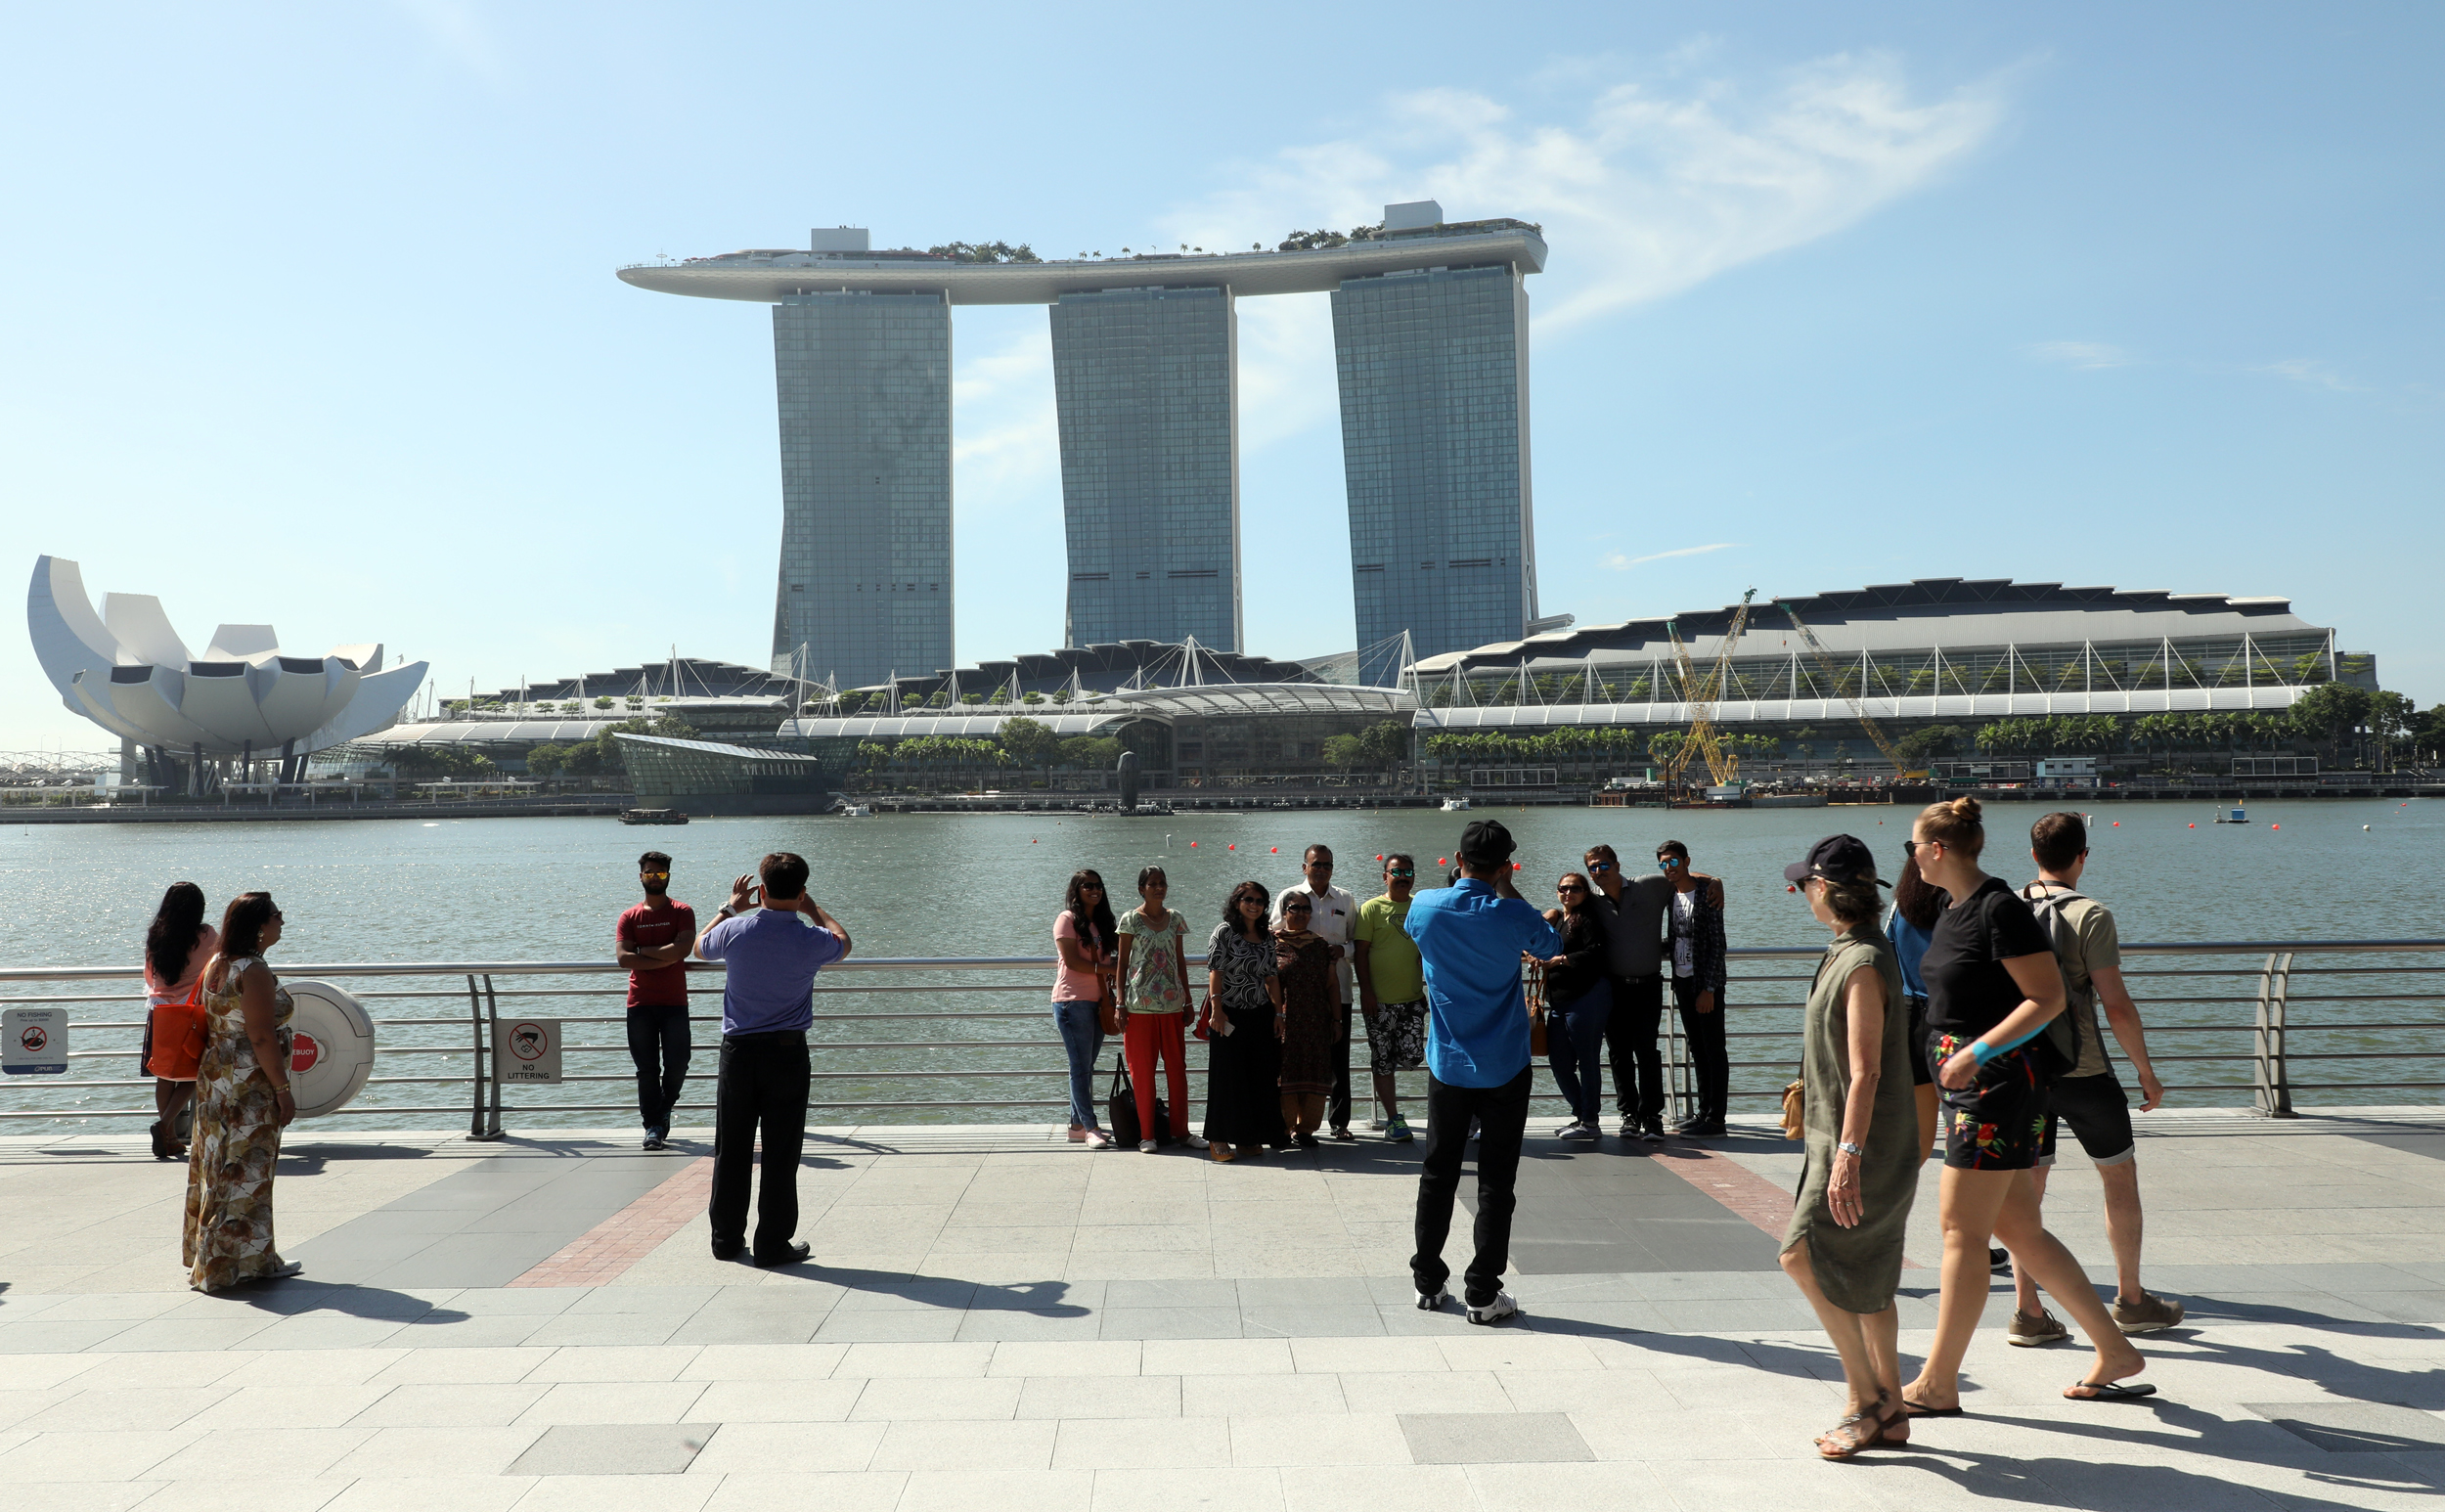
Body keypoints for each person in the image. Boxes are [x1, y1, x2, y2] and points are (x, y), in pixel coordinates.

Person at [1899, 798, 2152, 1415]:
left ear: (1937, 849)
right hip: (1974, 1087)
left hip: (1996, 1088)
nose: (1909, 856)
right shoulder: (1954, 906)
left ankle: (1937, 1381)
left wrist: (1975, 1052)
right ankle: (2115, 1351)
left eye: (1913, 847)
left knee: (1961, 1230)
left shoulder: (2000, 909)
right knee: (2018, 1228)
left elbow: (2046, 998)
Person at [2006, 811, 2186, 1344]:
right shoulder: (2092, 914)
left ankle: (2028, 1312)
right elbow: (2117, 1005)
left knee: (2026, 1190)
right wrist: (2146, 1073)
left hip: (2023, 1071)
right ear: (2082, 856)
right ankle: (2131, 1300)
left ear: (2033, 855)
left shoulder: (2005, 908)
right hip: (2084, 1072)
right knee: (2118, 1177)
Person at [1777, 836, 1920, 1458]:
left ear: (1826, 889)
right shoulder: (1852, 950)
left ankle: (1868, 1399)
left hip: (1860, 1143)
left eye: (1803, 883)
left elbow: (1865, 1071)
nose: (1798, 892)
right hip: (1849, 1138)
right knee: (1870, 1274)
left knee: (1800, 1254)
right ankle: (1888, 1411)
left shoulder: (1862, 961)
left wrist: (1847, 1158)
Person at [1404, 820, 1564, 1325]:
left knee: (1437, 1173)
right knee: (1496, 1181)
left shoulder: (1425, 905)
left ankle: (1428, 1283)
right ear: (1504, 867)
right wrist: (1506, 888)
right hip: (1504, 1065)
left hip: (1449, 1063)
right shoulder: (1512, 913)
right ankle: (1482, 1293)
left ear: (1456, 859)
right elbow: (1548, 942)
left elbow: (1413, 931)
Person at [692, 853, 851, 1267]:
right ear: (800, 893)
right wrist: (813, 909)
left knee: (732, 1147)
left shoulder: (734, 930)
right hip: (786, 1052)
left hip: (739, 1053)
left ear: (761, 889)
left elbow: (698, 949)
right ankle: (772, 1243)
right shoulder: (811, 940)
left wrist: (729, 907)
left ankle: (725, 1240)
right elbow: (844, 942)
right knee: (781, 1150)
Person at [184, 892, 300, 1292]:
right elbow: (262, 1036)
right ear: (259, 925)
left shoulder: (217, 962)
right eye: (277, 916)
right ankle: (242, 1261)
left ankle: (229, 1256)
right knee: (250, 1168)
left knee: (219, 1164)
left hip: (217, 1077)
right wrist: (282, 1089)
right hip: (248, 1082)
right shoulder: (252, 970)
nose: (282, 922)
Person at [1583, 844, 1721, 1141]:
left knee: (1647, 1053)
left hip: (1648, 985)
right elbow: (1565, 906)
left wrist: (1715, 881)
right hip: (1613, 988)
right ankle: (1629, 1116)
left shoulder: (1649, 886)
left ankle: (1652, 1118)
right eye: (1592, 868)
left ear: (1617, 866)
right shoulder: (1592, 900)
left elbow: (1681, 875)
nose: (1598, 872)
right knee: (1618, 1055)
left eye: (1604, 866)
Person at [1114, 867, 1204, 1153]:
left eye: (1162, 883)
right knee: (1142, 1073)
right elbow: (1122, 965)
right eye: (1152, 884)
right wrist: (1119, 1003)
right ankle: (1147, 1135)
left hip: (1172, 1006)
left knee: (1177, 1071)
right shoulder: (1130, 920)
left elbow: (1179, 960)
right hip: (1138, 1008)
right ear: (1141, 889)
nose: (1158, 888)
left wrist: (1188, 1000)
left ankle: (1182, 1131)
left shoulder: (1175, 918)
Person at [1270, 845, 1358, 1139]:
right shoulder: (1289, 896)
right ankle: (1286, 1123)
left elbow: (1355, 943)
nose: (1321, 869)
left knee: (1337, 1060)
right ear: (1304, 866)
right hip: (1289, 1001)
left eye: (1327, 865)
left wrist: (1341, 950)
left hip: (1336, 993)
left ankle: (1339, 1123)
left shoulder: (1345, 898)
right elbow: (1272, 934)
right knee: (1287, 1063)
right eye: (1316, 864)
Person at [614, 851, 697, 1151]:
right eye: (649, 873)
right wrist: (665, 956)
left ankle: (664, 1108)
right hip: (640, 1004)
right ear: (641, 877)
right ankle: (653, 1126)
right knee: (647, 1070)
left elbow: (683, 949)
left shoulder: (682, 911)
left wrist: (645, 950)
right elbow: (624, 959)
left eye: (660, 874)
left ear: (668, 877)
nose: (655, 878)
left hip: (675, 1003)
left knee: (678, 1065)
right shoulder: (629, 916)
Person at [1202, 882, 1286, 1161]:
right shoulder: (1224, 931)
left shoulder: (1266, 935)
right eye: (1248, 899)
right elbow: (1216, 971)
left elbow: (1272, 977)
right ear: (1237, 901)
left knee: (1257, 1078)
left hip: (1259, 1013)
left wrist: (1278, 1013)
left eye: (1260, 901)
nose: (1255, 905)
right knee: (1226, 1078)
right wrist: (1217, 1009)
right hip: (1228, 1013)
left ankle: (1248, 1138)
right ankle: (1218, 1137)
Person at [1352, 854, 1426, 1143]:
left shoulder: (1421, 905)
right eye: (1397, 871)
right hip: (1378, 1002)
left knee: (1412, 1057)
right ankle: (1394, 1119)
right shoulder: (1370, 908)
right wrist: (1366, 991)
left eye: (1409, 871)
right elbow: (1360, 953)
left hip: (1412, 999)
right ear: (1385, 876)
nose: (1403, 876)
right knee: (1382, 1061)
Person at [142, 882, 217, 1162]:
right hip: (191, 1012)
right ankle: (163, 1127)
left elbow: (150, 976)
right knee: (196, 1071)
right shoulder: (205, 934)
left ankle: (171, 1137)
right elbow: (219, 964)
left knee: (165, 1074)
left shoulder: (156, 936)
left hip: (160, 1012)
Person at [1661, 840, 1730, 1137]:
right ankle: (1703, 1112)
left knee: (1713, 1049)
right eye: (1663, 864)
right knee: (1697, 1049)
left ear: (1686, 861)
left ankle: (1716, 1118)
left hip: (1705, 983)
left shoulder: (1706, 894)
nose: (1669, 869)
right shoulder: (1668, 894)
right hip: (1682, 981)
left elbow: (1718, 945)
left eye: (1674, 862)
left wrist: (1710, 988)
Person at [1538, 872, 1611, 1138]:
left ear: (1585, 892)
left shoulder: (1588, 919)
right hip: (1558, 1000)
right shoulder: (1559, 919)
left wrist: (1561, 960)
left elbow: (1597, 952)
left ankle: (1590, 1122)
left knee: (1588, 1060)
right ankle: (1582, 1114)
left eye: (1575, 889)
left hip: (1587, 997)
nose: (1568, 893)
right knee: (1558, 1061)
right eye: (1563, 888)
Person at [1052, 869, 1119, 1150]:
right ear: (1076, 890)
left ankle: (1077, 1125)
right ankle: (1090, 1127)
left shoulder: (1101, 923)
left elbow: (1107, 958)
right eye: (1088, 886)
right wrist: (1107, 968)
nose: (1095, 890)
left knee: (1085, 1067)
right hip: (1072, 1002)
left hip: (1099, 1002)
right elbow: (1072, 962)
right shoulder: (1067, 920)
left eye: (1098, 886)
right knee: (1080, 1067)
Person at [1887, 850, 1941, 1161]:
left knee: (1921, 1132)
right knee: (1967, 1127)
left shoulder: (1900, 908)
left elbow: (1888, 961)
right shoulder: (1960, 905)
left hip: (1910, 1021)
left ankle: (1897, 1196)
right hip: (1951, 1021)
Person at [1274, 894, 1340, 1148]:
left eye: (1305, 908)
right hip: (1285, 1021)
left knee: (1315, 1072)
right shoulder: (1273, 943)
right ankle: (1284, 1127)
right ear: (1285, 912)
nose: (1300, 913)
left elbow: (1332, 986)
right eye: (1294, 908)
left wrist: (1337, 1021)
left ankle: (1306, 1130)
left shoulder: (1321, 946)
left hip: (1316, 1020)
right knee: (1284, 1074)